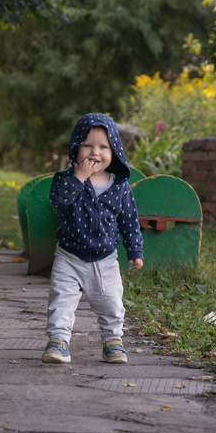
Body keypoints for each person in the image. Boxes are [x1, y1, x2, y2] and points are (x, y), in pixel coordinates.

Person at [41, 112, 144, 365]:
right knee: (61, 300)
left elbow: (129, 221)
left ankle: (112, 341)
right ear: (75, 148)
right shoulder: (65, 180)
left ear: (115, 152)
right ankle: (58, 341)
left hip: (105, 259)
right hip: (69, 256)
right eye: (87, 145)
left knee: (111, 303)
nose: (94, 152)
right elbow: (58, 201)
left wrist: (135, 251)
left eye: (103, 147)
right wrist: (79, 178)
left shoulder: (120, 187)